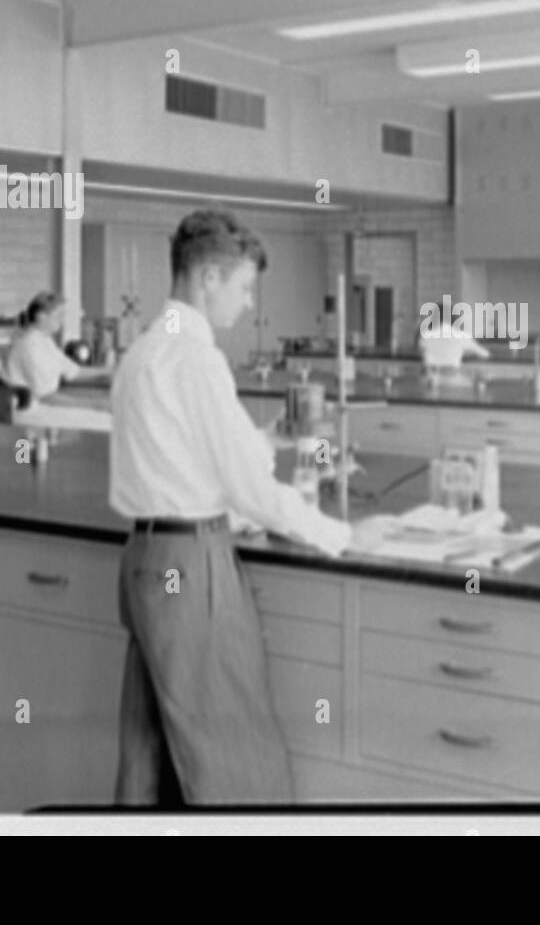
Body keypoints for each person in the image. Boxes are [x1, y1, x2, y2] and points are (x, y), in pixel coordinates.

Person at [109, 208, 353, 805]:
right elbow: (249, 490)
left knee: (152, 759)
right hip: (192, 567)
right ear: (208, 278)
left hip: (144, 559)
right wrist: (336, 535)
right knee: (236, 764)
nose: (246, 303)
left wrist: (261, 447)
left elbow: (186, 458)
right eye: (243, 286)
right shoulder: (197, 359)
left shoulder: (141, 353)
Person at [3, 292, 110, 430]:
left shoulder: (44, 340)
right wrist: (96, 404)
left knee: (107, 417)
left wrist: (109, 370)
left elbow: (73, 371)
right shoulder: (29, 345)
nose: (61, 320)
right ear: (41, 316)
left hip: (45, 405)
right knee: (105, 421)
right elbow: (46, 396)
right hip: (32, 412)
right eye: (58, 315)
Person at [418, 299, 492, 372]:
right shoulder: (462, 336)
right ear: (454, 318)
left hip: (432, 379)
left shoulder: (426, 336)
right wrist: (465, 351)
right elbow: (485, 354)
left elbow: (422, 352)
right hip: (453, 378)